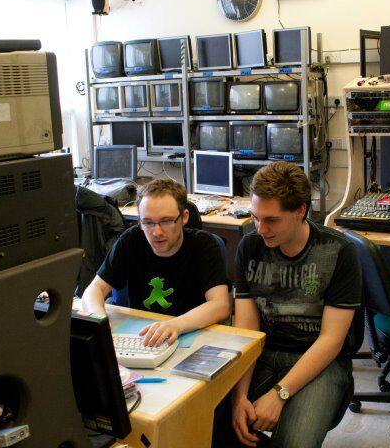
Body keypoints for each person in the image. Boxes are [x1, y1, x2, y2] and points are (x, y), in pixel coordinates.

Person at [223, 162, 362, 448]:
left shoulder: (338, 251)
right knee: (210, 416)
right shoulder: (249, 247)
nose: (261, 228)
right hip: (264, 353)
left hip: (319, 361)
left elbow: (331, 340)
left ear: (300, 210)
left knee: (294, 443)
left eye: (271, 220)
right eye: (255, 217)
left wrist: (279, 394)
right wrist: (239, 397)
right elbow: (247, 331)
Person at [81, 178, 231, 346]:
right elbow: (94, 290)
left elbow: (220, 305)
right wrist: (100, 321)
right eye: (148, 222)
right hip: (140, 337)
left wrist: (176, 325)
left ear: (184, 217)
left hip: (189, 333)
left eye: (166, 221)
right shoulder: (131, 240)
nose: (156, 232)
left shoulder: (204, 245)